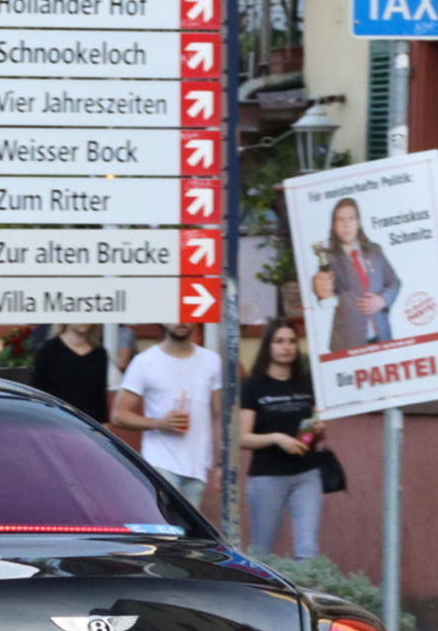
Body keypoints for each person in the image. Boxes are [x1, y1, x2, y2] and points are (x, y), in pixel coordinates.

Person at [239, 317, 328, 559]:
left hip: (307, 475)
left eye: (291, 341)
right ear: (268, 345)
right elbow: (241, 438)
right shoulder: (253, 386)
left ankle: (305, 596)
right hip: (268, 476)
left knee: (308, 550)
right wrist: (278, 438)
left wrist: (318, 430)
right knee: (261, 551)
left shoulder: (306, 383)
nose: (286, 347)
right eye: (279, 341)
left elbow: (316, 431)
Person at [113, 322, 225, 508]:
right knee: (165, 531)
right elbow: (118, 415)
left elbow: (218, 414)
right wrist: (160, 423)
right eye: (173, 313)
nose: (180, 320)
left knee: (187, 535)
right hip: (159, 463)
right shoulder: (145, 362)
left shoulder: (211, 360)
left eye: (186, 313)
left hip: (196, 466)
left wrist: (222, 462)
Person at [312, 196, 401, 350]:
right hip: (348, 343)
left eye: (351, 218)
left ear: (358, 223)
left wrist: (382, 300)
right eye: (341, 220)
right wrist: (318, 286)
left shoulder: (375, 250)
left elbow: (394, 282)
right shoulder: (328, 257)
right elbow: (322, 283)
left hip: (382, 338)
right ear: (334, 226)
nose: (346, 224)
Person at [30, 323, 110, 423]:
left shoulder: (99, 354)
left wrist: (103, 429)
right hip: (55, 423)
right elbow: (38, 393)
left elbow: (100, 398)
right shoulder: (49, 350)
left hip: (88, 428)